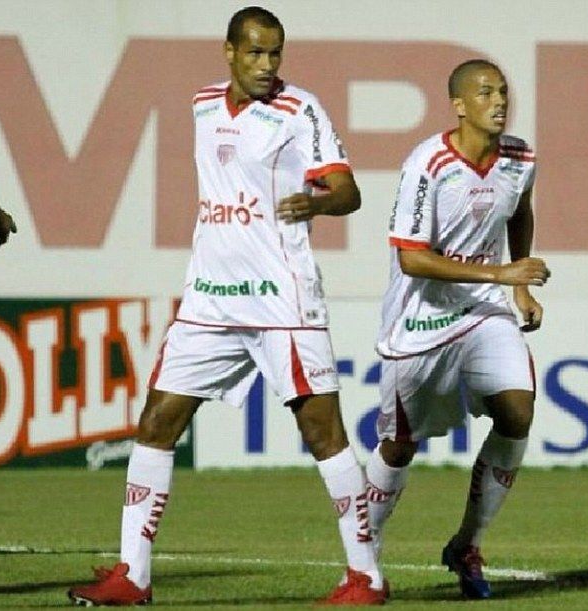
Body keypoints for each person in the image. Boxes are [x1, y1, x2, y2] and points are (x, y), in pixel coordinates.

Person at [68, 6, 386, 607]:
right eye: (256, 53)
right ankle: (132, 576)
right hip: (210, 299)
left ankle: (366, 576)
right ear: (230, 52)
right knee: (157, 422)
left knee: (323, 433)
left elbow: (348, 191)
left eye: (275, 54)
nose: (267, 65)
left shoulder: (299, 110)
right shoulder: (202, 104)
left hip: (281, 300)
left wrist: (313, 203)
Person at [364, 59, 550, 600]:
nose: (499, 101)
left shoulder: (519, 158)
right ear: (459, 105)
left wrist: (518, 289)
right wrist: (502, 272)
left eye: (503, 92)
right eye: (485, 92)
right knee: (399, 444)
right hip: (420, 318)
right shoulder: (428, 164)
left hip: (484, 310)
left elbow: (520, 210)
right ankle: (364, 559)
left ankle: (466, 543)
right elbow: (413, 261)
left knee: (518, 411)